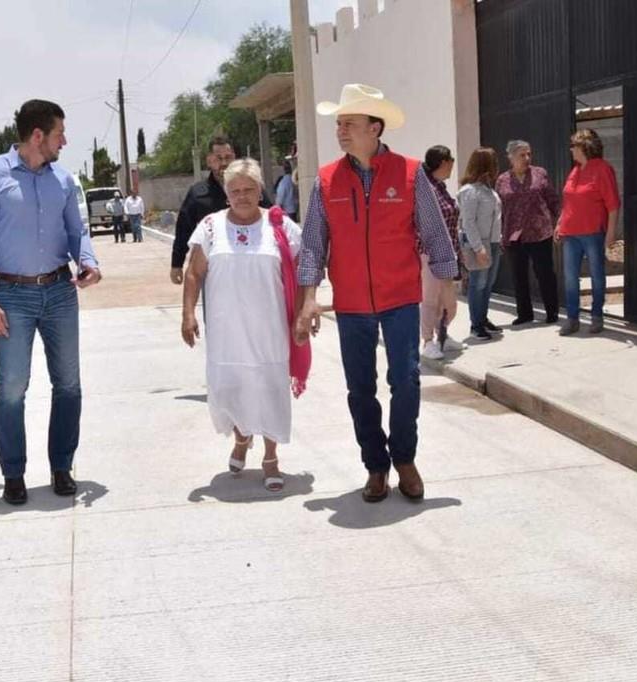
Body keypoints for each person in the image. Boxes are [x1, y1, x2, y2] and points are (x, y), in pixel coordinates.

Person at [295, 84, 457, 503]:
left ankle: (404, 458)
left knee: (405, 380)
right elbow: (314, 241)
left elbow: (436, 235)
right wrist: (309, 296)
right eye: (339, 124)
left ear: (375, 127)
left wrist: (446, 290)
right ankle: (375, 466)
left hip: (401, 298)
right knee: (359, 388)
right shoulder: (327, 179)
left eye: (349, 123)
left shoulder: (409, 172)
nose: (341, 130)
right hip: (350, 304)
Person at [0, 99, 102, 506]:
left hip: (60, 292)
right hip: (11, 295)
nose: (66, 140)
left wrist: (89, 261)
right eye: (60, 133)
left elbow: (77, 231)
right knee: (11, 387)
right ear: (38, 135)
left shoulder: (63, 179)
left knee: (69, 384)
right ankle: (13, 474)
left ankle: (62, 466)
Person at [180, 159, 309, 493]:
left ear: (259, 190)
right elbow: (194, 273)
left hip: (270, 330)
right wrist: (188, 314)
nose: (242, 196)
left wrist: (305, 311)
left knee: (268, 388)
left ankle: (270, 458)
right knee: (232, 389)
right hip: (227, 332)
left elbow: (303, 268)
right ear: (226, 194)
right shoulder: (210, 227)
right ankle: (241, 437)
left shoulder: (280, 225)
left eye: (249, 189)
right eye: (235, 190)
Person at [170, 135, 272, 285]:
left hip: (253, 265)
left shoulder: (255, 189)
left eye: (228, 157)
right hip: (214, 271)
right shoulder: (198, 194)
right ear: (209, 161)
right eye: (219, 158)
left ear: (235, 158)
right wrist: (176, 264)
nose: (224, 163)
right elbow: (183, 229)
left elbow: (273, 220)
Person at [556, 128, 620, 335]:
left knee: (597, 276)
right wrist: (559, 224)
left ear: (584, 147)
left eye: (573, 146)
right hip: (570, 233)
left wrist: (610, 233)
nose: (570, 149)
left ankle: (596, 316)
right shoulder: (575, 170)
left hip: (593, 232)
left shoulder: (602, 169)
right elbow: (568, 202)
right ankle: (572, 319)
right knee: (570, 277)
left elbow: (613, 205)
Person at [496, 139, 561, 325]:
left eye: (528, 154)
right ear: (511, 157)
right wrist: (499, 233)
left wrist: (560, 222)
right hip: (514, 235)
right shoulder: (502, 180)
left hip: (540, 233)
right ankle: (525, 314)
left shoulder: (540, 174)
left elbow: (553, 200)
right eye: (522, 155)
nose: (527, 158)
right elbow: (498, 209)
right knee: (519, 276)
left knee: (545, 273)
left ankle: (552, 312)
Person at [420, 145, 464, 360]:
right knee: (430, 299)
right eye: (451, 162)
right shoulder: (426, 189)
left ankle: (443, 335)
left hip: (449, 252)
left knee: (449, 302)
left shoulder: (440, 187)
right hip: (429, 253)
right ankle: (428, 341)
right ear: (444, 162)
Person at [458, 147, 504, 340]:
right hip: (479, 243)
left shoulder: (488, 190)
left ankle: (482, 318)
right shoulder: (470, 192)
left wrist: (497, 240)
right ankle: (476, 325)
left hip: (492, 241)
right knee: (478, 284)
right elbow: (468, 222)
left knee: (487, 284)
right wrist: (479, 248)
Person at [274, 157, 299, 222]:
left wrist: (277, 207)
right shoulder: (295, 180)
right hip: (295, 210)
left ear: (284, 170)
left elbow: (280, 198)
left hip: (287, 211)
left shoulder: (283, 182)